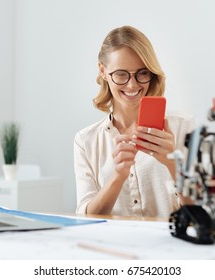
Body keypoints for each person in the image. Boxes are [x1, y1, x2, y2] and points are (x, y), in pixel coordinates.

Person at [74, 26, 194, 217]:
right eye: (121, 74)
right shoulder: (86, 141)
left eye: (142, 73)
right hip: (114, 245)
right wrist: (118, 177)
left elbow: (203, 211)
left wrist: (173, 164)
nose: (132, 85)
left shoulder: (182, 126)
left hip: (171, 244)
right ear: (103, 71)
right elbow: (85, 216)